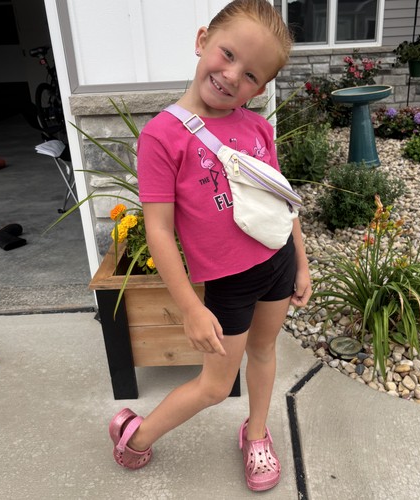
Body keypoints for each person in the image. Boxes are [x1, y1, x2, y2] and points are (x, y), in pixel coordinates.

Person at [109, 0, 311, 492]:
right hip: (229, 284)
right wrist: (190, 308)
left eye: (250, 75)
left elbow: (282, 202)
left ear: (259, 89)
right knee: (216, 386)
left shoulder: (257, 127)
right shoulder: (162, 137)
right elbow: (159, 230)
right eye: (228, 54)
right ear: (202, 41)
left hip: (278, 263)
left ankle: (256, 434)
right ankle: (136, 436)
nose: (232, 76)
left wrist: (302, 264)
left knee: (264, 352)